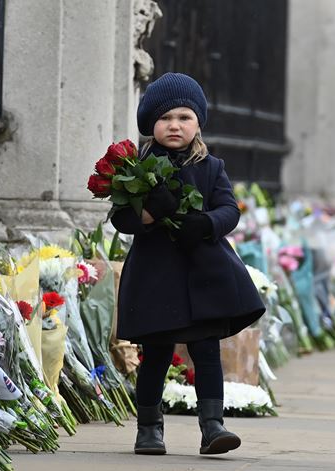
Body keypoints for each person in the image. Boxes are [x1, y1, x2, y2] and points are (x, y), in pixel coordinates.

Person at [110, 72, 265, 455]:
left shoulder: (211, 167)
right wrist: (148, 213)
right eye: (165, 119)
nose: (174, 126)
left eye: (184, 117)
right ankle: (148, 429)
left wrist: (208, 223)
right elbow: (122, 219)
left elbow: (229, 208)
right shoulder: (137, 167)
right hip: (156, 276)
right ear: (151, 125)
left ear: (198, 123)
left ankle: (213, 427)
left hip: (203, 276)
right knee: (157, 354)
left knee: (207, 350)